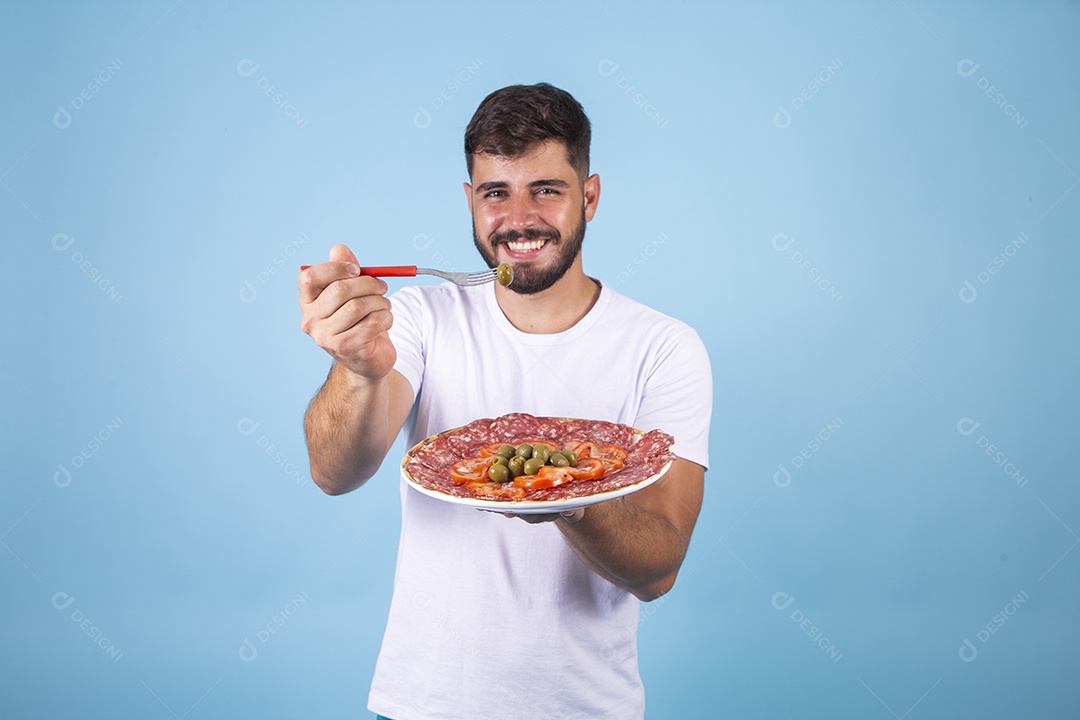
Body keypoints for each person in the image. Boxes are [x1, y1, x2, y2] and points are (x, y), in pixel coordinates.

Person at [298, 82, 712, 720]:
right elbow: (333, 473)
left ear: (590, 197)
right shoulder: (417, 320)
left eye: (546, 189)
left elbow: (658, 569)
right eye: (496, 192)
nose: (519, 217)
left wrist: (564, 498)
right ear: (470, 201)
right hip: (421, 704)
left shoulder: (664, 346)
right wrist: (357, 371)